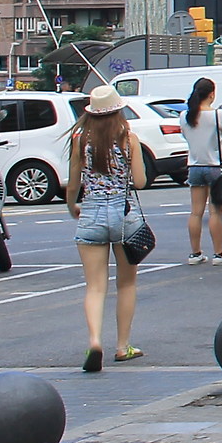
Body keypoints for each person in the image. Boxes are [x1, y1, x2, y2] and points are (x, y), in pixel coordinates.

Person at [68, 86, 150, 371]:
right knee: (126, 283)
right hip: (124, 213)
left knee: (94, 286)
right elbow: (139, 181)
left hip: (90, 211)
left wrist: (72, 208)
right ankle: (122, 346)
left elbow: (73, 184)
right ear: (118, 112)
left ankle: (94, 341)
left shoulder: (80, 142)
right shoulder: (130, 139)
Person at [179, 77, 222, 265]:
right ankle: (219, 253)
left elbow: (185, 136)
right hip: (216, 166)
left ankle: (195, 253)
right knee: (215, 212)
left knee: (195, 212)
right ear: (212, 94)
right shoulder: (219, 115)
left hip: (194, 165)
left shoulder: (185, 116)